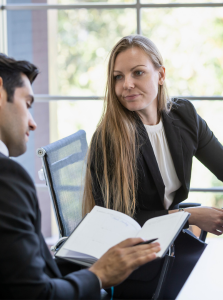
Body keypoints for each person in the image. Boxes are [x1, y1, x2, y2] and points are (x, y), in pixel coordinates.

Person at [0, 51, 160, 300]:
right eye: (27, 104)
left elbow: (13, 271)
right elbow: (36, 296)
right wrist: (100, 274)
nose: (33, 123)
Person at [82, 34, 223, 298]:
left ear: (160, 75)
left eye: (138, 73)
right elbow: (119, 222)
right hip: (137, 263)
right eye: (118, 77)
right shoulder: (110, 138)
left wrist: (185, 219)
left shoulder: (184, 115)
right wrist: (188, 217)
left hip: (170, 245)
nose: (127, 85)